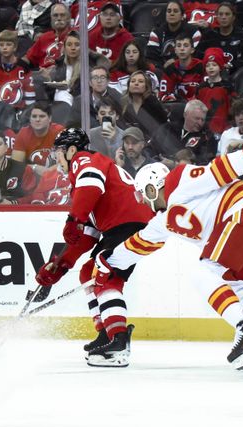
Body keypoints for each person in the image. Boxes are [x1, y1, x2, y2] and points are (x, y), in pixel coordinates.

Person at [96, 136, 243, 371]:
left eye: (142, 194)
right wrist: (108, 261)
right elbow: (139, 244)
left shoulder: (179, 180)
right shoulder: (163, 220)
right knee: (236, 287)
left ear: (151, 187)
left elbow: (219, 170)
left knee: (203, 273)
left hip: (242, 213)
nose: (143, 203)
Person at [33, 128, 154, 366]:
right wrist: (60, 267)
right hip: (123, 225)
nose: (56, 158)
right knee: (89, 272)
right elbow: (86, 236)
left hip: (128, 223)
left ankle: (118, 340)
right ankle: (106, 332)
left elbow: (90, 189)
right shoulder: (84, 179)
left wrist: (73, 219)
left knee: (105, 275)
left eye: (58, 152)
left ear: (70, 150)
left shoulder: (84, 161)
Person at [150, 99, 216, 164]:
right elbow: (150, 148)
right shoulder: (167, 128)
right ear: (185, 115)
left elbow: (204, 162)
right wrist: (155, 161)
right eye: (197, 118)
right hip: (157, 167)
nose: (200, 123)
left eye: (202, 120)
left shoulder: (207, 138)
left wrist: (174, 164)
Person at [196, 2, 243, 73]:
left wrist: (231, 65)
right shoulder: (209, 35)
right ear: (217, 17)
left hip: (237, 76)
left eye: (227, 14)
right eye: (220, 14)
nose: (223, 17)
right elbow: (198, 58)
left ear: (233, 17)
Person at [0, 30, 36, 110]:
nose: (4, 48)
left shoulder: (23, 66)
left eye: (8, 45)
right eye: (1, 45)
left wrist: (30, 110)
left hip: (20, 109)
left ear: (15, 47)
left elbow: (29, 89)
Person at [146, 1, 203, 69]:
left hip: (187, 69)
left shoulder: (194, 32)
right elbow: (151, 58)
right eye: (169, 11)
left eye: (175, 11)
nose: (172, 14)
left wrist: (175, 61)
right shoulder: (156, 33)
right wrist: (163, 68)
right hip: (162, 70)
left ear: (182, 16)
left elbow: (195, 55)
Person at [11, 102, 63, 173]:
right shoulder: (23, 133)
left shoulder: (59, 132)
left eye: (42, 116)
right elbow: (16, 164)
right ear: (30, 119)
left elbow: (64, 163)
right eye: (34, 116)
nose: (37, 119)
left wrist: (47, 172)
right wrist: (34, 167)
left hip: (56, 176)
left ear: (50, 118)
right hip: (32, 177)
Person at [118, 70, 169, 141]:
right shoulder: (123, 103)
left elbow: (163, 127)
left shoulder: (153, 103)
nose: (136, 83)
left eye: (140, 81)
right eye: (133, 81)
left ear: (146, 86)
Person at [197, 47, 235, 134]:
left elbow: (233, 108)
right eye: (208, 65)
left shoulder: (227, 87)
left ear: (220, 67)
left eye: (214, 65)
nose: (211, 68)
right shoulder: (201, 87)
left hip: (224, 128)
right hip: (204, 129)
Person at [158, 32, 204, 102]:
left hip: (197, 105)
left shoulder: (201, 66)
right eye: (179, 46)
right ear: (175, 50)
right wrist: (169, 98)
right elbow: (163, 94)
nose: (182, 49)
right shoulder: (170, 69)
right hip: (177, 106)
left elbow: (206, 91)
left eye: (185, 45)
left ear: (192, 50)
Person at [24, 2, 72, 69]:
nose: (59, 18)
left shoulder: (75, 36)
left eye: (62, 15)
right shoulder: (44, 38)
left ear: (68, 18)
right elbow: (28, 58)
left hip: (65, 73)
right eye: (55, 15)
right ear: (51, 18)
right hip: (43, 76)